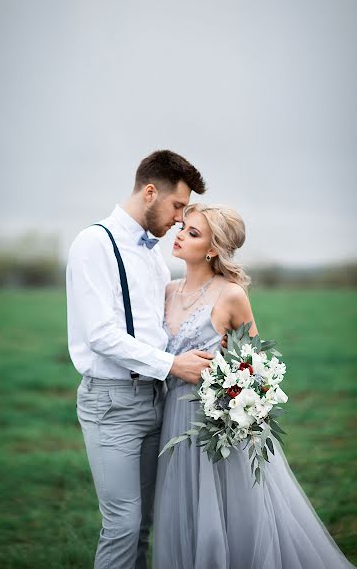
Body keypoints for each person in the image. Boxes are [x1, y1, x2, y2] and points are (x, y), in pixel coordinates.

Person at [153, 203, 355, 569]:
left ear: (213, 249)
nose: (179, 234)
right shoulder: (166, 291)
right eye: (182, 227)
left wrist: (234, 396)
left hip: (215, 425)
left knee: (226, 519)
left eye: (192, 232)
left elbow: (254, 368)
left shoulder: (230, 295)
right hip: (173, 416)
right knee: (183, 512)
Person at [66, 151, 214, 569]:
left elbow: (161, 329)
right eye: (178, 206)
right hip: (111, 403)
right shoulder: (93, 243)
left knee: (146, 523)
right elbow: (100, 334)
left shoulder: (153, 256)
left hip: (157, 400)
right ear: (150, 192)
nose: (180, 220)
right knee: (123, 525)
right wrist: (173, 365)